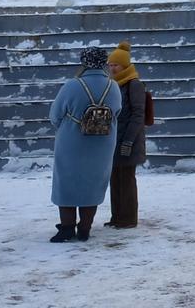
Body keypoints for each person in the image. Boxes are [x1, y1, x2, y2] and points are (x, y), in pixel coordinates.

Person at [47, 47, 121, 243]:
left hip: (71, 142)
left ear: (84, 63)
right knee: (93, 184)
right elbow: (117, 112)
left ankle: (67, 227)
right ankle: (85, 228)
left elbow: (55, 115)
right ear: (104, 63)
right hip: (103, 144)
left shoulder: (72, 85)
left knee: (67, 182)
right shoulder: (112, 86)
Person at [106, 41, 146, 230]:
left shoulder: (134, 84)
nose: (112, 68)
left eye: (116, 65)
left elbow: (139, 114)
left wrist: (129, 140)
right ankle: (116, 217)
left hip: (129, 139)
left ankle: (128, 218)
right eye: (110, 65)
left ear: (125, 65)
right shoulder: (114, 84)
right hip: (115, 139)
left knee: (127, 179)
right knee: (115, 178)